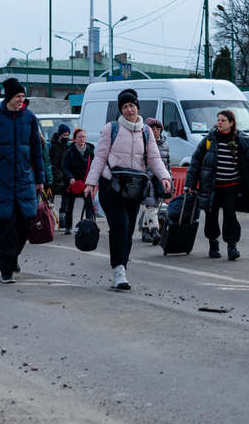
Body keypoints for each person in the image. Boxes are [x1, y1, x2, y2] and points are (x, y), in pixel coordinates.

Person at [84, 89, 172, 290]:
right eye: (125, 106)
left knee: (129, 229)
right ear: (120, 110)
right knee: (120, 225)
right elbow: (100, 157)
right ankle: (118, 270)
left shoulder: (146, 131)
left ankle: (122, 265)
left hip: (134, 187)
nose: (129, 109)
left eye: (132, 105)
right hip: (111, 185)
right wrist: (91, 182)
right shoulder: (111, 128)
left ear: (138, 107)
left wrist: (165, 177)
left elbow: (154, 158)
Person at [0, 78, 45, 284]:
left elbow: (37, 151)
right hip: (3, 181)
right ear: (9, 97)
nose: (21, 101)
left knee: (26, 222)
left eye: (23, 97)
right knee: (7, 226)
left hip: (25, 179)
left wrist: (40, 179)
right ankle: (6, 270)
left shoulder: (30, 118)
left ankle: (13, 256)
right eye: (18, 97)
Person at [187, 110, 249, 260]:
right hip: (212, 186)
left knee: (230, 215)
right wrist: (190, 183)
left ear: (231, 123)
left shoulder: (241, 140)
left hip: (232, 186)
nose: (219, 122)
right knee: (211, 215)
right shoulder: (209, 139)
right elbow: (196, 161)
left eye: (223, 120)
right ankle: (213, 243)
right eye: (218, 120)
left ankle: (232, 246)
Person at [137, 118, 171, 243]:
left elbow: (167, 164)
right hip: (147, 178)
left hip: (160, 180)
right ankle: (155, 230)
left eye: (157, 128)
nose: (155, 131)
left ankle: (145, 231)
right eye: (152, 128)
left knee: (154, 206)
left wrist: (169, 178)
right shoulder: (143, 144)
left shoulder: (165, 144)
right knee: (150, 204)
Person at [61, 128, 95, 235]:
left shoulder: (90, 151)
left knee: (89, 205)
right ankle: (68, 226)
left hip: (86, 182)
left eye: (83, 137)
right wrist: (70, 177)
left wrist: (92, 181)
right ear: (74, 139)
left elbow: (94, 166)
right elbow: (64, 167)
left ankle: (90, 226)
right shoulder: (69, 151)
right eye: (79, 137)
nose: (82, 139)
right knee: (69, 205)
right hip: (73, 183)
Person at [49, 124, 71, 203]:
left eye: (68, 135)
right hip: (54, 175)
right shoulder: (52, 145)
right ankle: (50, 214)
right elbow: (50, 162)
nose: (66, 137)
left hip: (65, 176)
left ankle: (62, 214)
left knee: (65, 198)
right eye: (64, 135)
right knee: (50, 199)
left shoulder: (68, 146)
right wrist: (56, 173)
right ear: (59, 134)